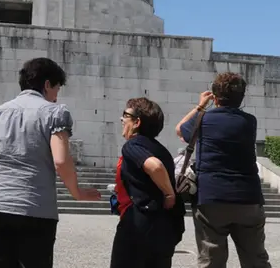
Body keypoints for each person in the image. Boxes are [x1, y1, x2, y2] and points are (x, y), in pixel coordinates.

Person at [0, 57, 101, 268]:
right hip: (35, 206)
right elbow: (61, 161)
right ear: (47, 84)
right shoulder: (55, 113)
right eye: (56, 88)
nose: (56, 96)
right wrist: (77, 192)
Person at [176, 72, 271, 268]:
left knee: (211, 260)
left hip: (211, 197)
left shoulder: (203, 120)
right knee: (256, 260)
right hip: (248, 197)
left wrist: (200, 105)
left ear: (215, 97)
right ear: (241, 98)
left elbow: (180, 129)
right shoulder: (249, 122)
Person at [110, 97, 184, 268]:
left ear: (137, 122)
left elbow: (155, 166)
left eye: (125, 115)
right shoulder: (162, 150)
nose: (122, 119)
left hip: (138, 223)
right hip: (163, 226)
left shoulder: (132, 145)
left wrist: (169, 194)